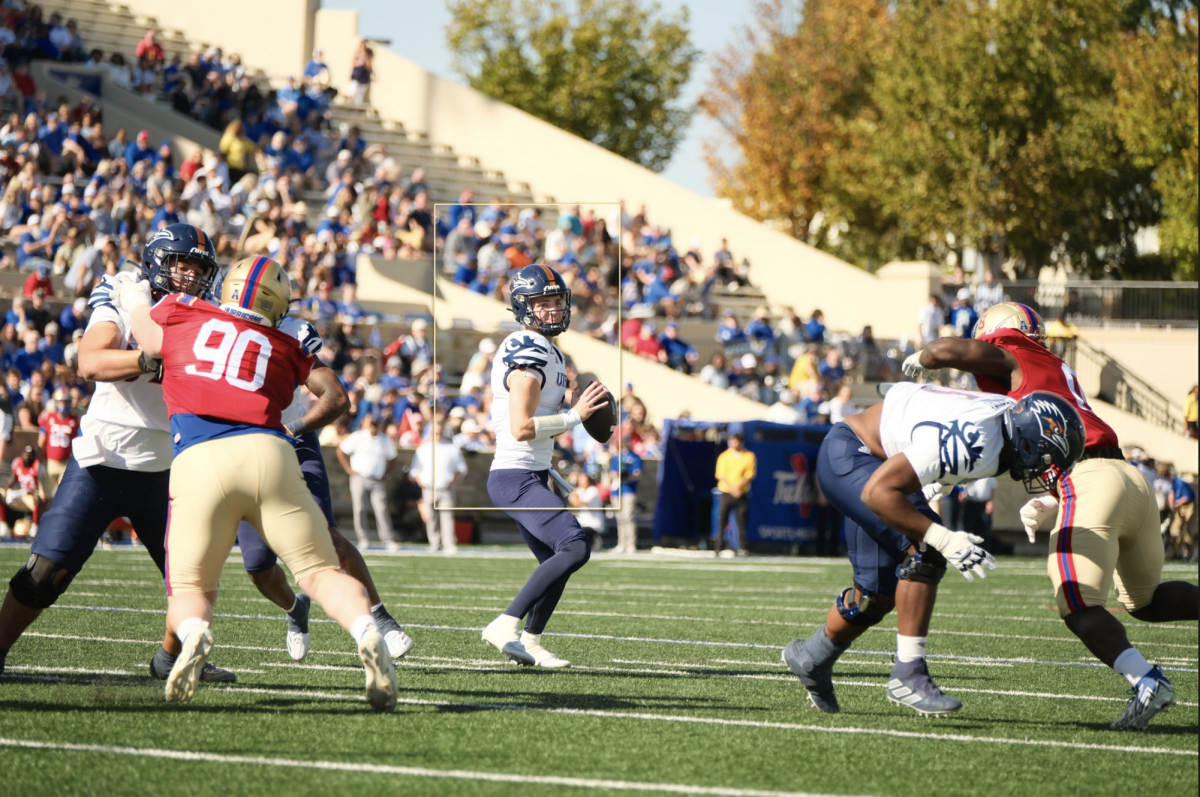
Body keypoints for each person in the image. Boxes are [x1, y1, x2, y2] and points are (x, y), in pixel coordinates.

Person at [114, 256, 397, 711]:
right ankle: (365, 628)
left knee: (191, 589)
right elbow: (330, 392)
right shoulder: (285, 343)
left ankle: (194, 633)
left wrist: (132, 296)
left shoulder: (185, 309)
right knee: (321, 573)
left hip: (200, 456)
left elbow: (148, 340)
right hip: (272, 454)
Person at [905, 302, 1198, 729]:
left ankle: (1148, 681)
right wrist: (1051, 497)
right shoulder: (1051, 369)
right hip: (1130, 480)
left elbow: (952, 351)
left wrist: (924, 356)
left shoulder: (1012, 350)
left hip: (1091, 479)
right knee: (1145, 601)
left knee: (1077, 603)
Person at [0, 225, 230, 682]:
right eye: (182, 266)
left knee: (193, 577)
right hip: (103, 459)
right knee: (47, 570)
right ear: (157, 262)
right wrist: (151, 360)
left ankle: (170, 656)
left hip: (169, 466)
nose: (191, 278)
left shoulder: (207, 312)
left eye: (200, 270)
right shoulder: (127, 292)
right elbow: (90, 361)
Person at [783, 382, 1085, 717]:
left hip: (879, 462)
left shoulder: (1003, 425)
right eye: (1044, 458)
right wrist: (944, 538)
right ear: (1027, 440)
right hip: (856, 456)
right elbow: (877, 493)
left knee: (876, 595)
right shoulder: (980, 440)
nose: (1044, 470)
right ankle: (908, 674)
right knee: (926, 548)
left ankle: (811, 657)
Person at [480, 264, 609, 668]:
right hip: (514, 475)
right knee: (575, 546)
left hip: (532, 473)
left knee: (557, 560)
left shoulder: (549, 350)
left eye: (557, 302)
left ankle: (532, 641)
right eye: (543, 303)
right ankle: (504, 624)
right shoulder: (527, 347)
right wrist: (575, 416)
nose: (553, 310)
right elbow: (520, 427)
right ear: (524, 307)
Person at [337, 414, 399, 553]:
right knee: (359, 508)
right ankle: (363, 539)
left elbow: (393, 457)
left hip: (377, 480)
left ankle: (388, 540)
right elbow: (341, 450)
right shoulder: (358, 436)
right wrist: (348, 469)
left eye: (377, 424)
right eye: (372, 424)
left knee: (381, 509)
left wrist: (388, 473)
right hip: (359, 477)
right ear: (367, 424)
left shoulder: (384, 439)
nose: (374, 427)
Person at [410, 419, 467, 554]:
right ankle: (434, 543)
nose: (438, 435)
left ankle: (449, 544)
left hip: (445, 488)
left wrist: (454, 481)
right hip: (429, 488)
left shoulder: (451, 448)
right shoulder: (423, 449)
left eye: (440, 432)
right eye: (435, 432)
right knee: (430, 518)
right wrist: (420, 481)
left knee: (448, 517)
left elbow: (461, 468)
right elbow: (414, 470)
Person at [714, 433, 755, 558]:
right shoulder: (724, 456)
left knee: (742, 521)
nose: (733, 444)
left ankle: (742, 548)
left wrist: (738, 488)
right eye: (731, 441)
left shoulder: (748, 456)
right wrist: (731, 488)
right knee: (722, 520)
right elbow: (721, 474)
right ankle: (718, 547)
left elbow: (749, 474)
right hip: (727, 492)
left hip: (741, 493)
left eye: (736, 441)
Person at [38, 387, 80, 496]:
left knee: (64, 495)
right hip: (50, 462)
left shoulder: (75, 420)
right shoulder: (48, 417)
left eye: (66, 402)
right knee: (43, 497)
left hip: (66, 463)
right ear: (56, 402)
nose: (63, 404)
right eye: (61, 401)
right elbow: (41, 442)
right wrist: (40, 461)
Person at [610, 430, 643, 554]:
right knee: (620, 518)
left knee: (628, 516)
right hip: (617, 489)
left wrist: (629, 476)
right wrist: (618, 475)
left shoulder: (635, 457)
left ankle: (630, 543)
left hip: (629, 489)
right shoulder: (616, 457)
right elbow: (612, 473)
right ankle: (621, 543)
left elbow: (637, 473)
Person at [1, 447, 45, 537]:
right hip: (22, 494)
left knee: (37, 497)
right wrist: (8, 490)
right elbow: (12, 479)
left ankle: (35, 526)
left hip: (32, 497)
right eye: (26, 454)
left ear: (34, 457)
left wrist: (31, 492)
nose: (27, 457)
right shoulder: (17, 463)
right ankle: (3, 526)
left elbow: (40, 488)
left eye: (30, 455)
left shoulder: (37, 465)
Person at [1168, 474, 1196, 561]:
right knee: (1174, 531)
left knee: (1188, 532)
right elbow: (1171, 493)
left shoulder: (1180, 482)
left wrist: (1174, 505)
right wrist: (1172, 506)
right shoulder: (1172, 482)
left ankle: (1189, 554)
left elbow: (1186, 498)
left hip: (1188, 505)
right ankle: (1176, 552)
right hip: (1179, 506)